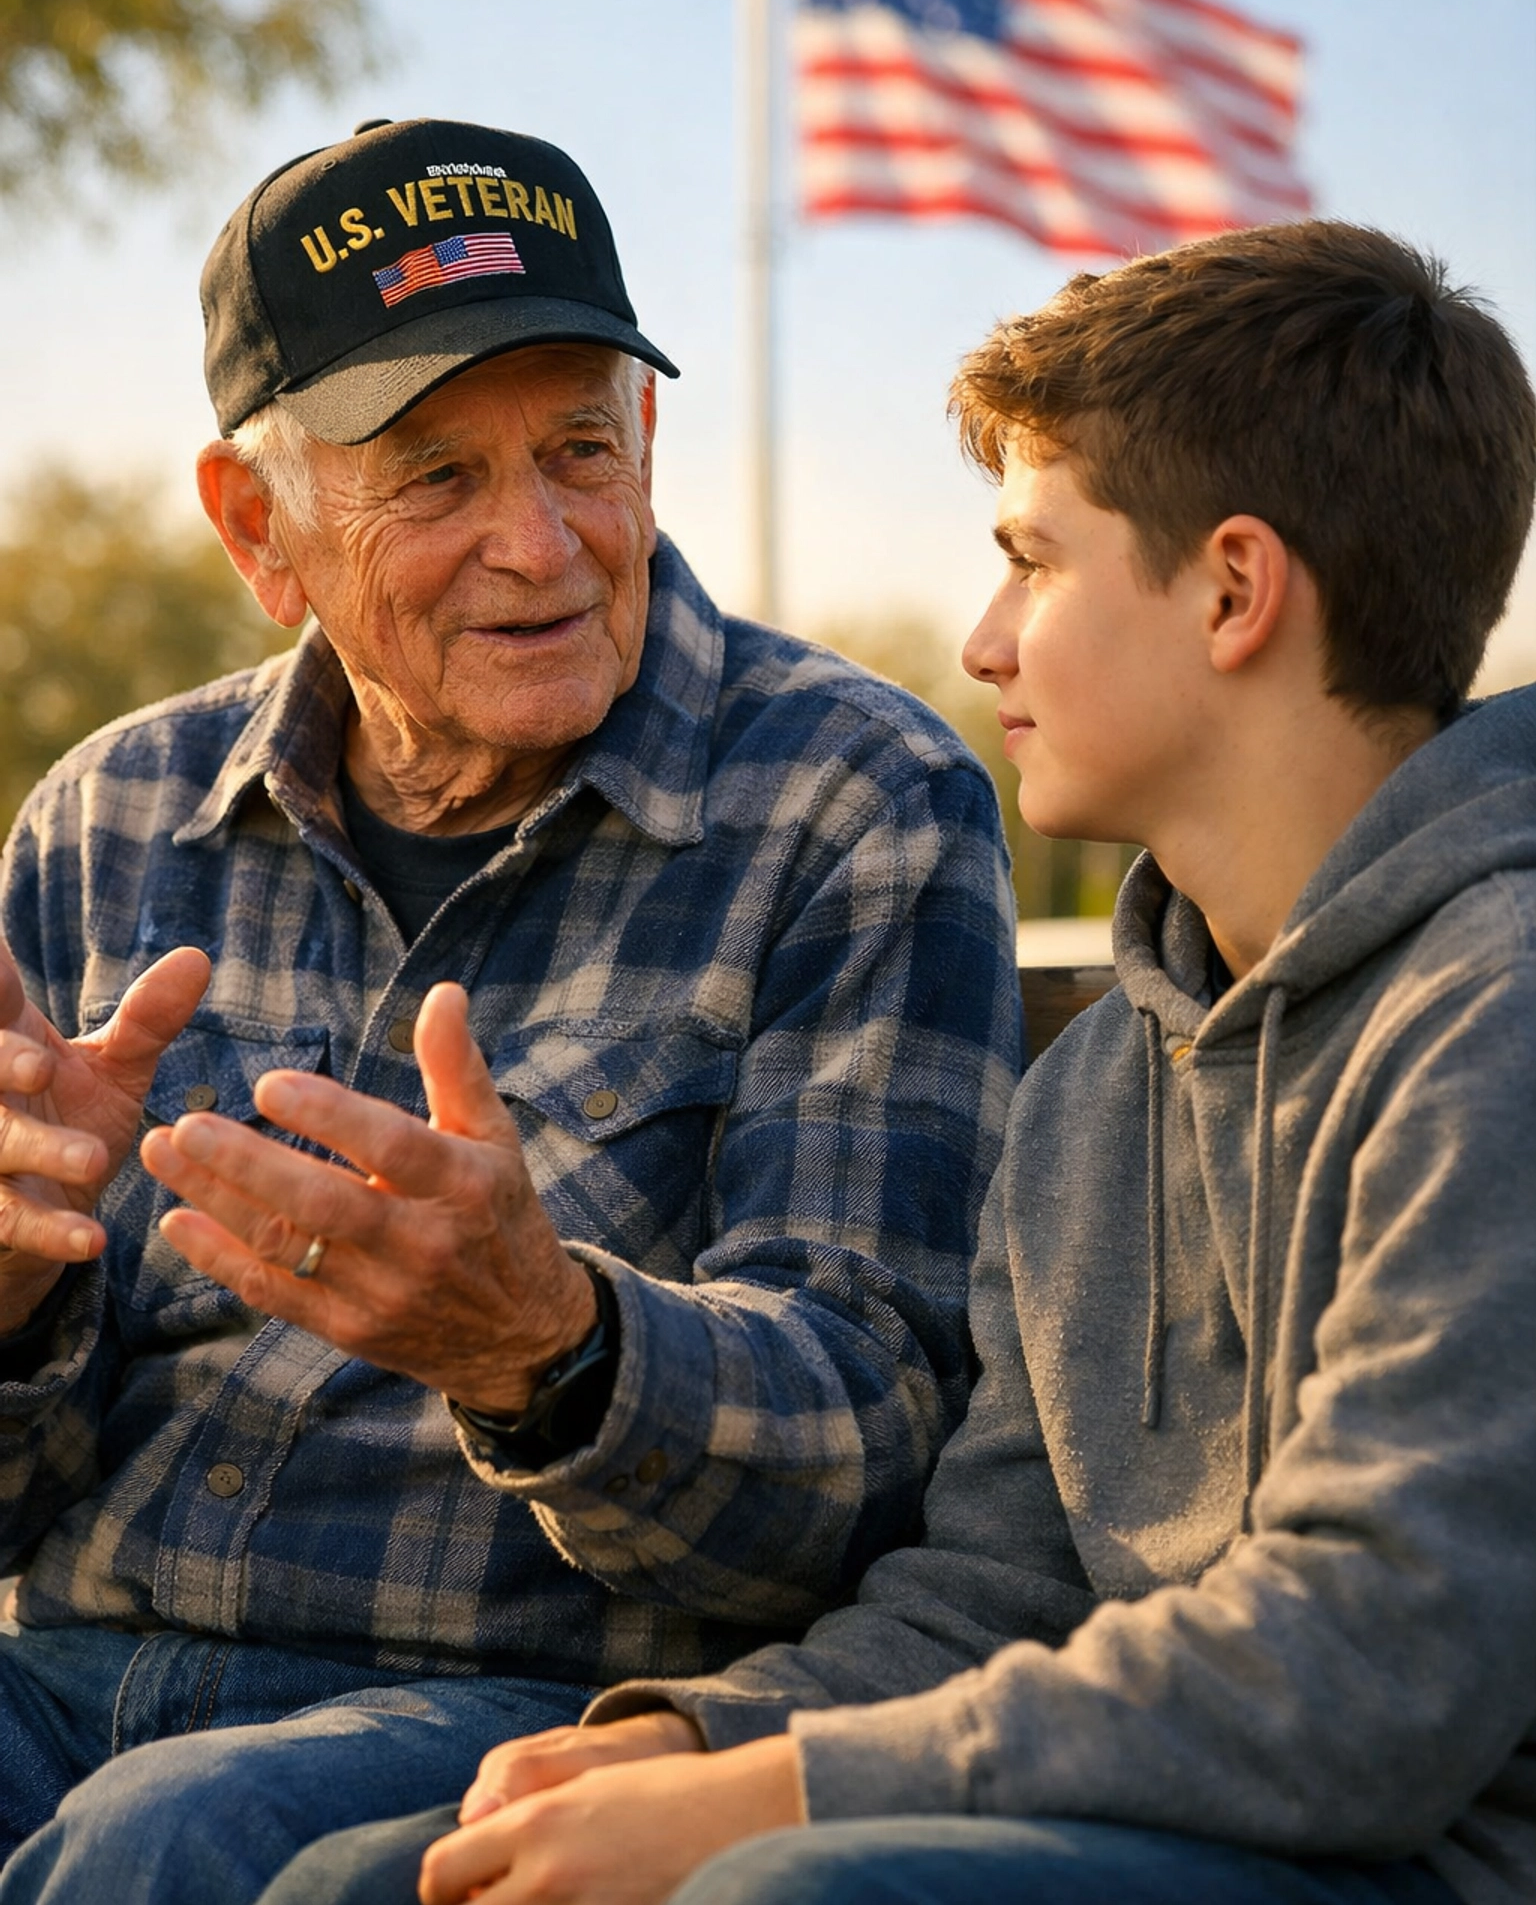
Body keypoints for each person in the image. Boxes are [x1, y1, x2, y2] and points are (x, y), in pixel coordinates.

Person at [271, 220, 1536, 1905]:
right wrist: (699, 1743)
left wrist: (783, 1798)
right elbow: (995, 1597)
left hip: (1433, 1859)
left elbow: (1379, 1672)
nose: (986, 640)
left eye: (1034, 560)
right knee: (378, 1880)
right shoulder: (1104, 1089)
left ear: (1234, 589)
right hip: (1136, 1810)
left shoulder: (1495, 1014)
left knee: (775, 1895)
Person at [0, 117, 1023, 1904]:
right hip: (69, 1668)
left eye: (578, 450)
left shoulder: (856, 802)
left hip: (516, 1712)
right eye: (436, 480)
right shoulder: (107, 815)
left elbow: (877, 1454)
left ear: (648, 443)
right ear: (261, 524)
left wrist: (544, 1351)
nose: (542, 545)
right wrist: (11, 1289)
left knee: (157, 1852)